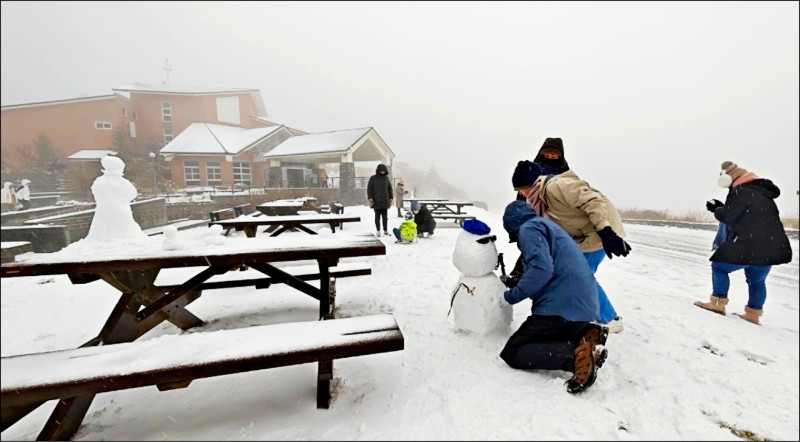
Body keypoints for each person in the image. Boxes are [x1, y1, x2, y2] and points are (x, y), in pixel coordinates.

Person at [500, 200, 609, 394]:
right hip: (581, 309)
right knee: (542, 337)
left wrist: (511, 296)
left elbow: (541, 269)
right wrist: (514, 281)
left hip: (561, 309)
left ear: (512, 226)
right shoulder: (548, 227)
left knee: (514, 351)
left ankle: (576, 355)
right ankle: (584, 334)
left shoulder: (528, 229)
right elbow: (541, 267)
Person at [511, 157, 630, 333]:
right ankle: (589, 313)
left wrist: (605, 230)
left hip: (601, 231)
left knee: (581, 275)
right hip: (585, 235)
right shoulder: (541, 200)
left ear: (529, 184)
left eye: (520, 189)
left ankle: (610, 319)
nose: (521, 194)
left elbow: (593, 201)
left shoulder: (556, 186)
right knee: (574, 273)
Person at [694, 161, 792, 325]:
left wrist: (717, 209)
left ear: (730, 179)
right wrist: (724, 209)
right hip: (771, 246)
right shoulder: (761, 193)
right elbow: (746, 214)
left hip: (749, 242)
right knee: (757, 281)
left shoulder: (741, 192)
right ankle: (753, 314)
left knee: (718, 266)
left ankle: (717, 303)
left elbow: (729, 216)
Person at [367, 163, 393, 236]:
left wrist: (391, 197)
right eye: (381, 171)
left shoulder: (386, 178)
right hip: (376, 201)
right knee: (377, 217)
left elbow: (389, 189)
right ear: (378, 171)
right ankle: (378, 231)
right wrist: (370, 198)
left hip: (385, 201)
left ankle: (385, 230)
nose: (383, 172)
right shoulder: (373, 178)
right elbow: (369, 189)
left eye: (384, 171)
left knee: (385, 217)